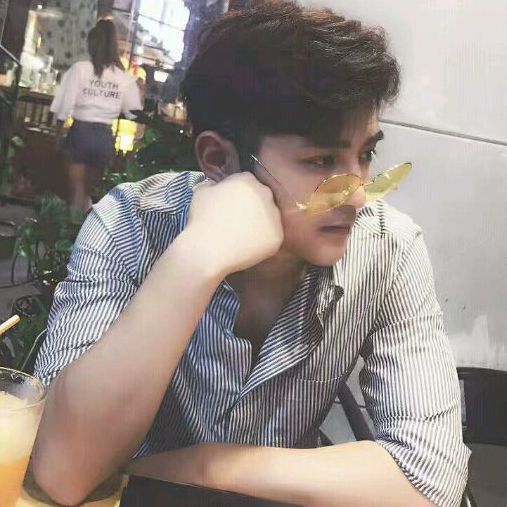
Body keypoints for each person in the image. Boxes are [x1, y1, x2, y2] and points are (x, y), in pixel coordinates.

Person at [32, 2, 470, 506]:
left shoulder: (389, 250)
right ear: (219, 158)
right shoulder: (133, 222)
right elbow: (61, 472)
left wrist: (202, 465)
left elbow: (431, 477)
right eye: (321, 161)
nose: (356, 197)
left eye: (366, 154)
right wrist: (194, 261)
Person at [50, 19, 142, 212]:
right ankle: (85, 222)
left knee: (77, 189)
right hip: (104, 137)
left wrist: (57, 133)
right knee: (88, 190)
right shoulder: (123, 77)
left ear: (92, 44)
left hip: (80, 133)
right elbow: (134, 112)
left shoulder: (80, 69)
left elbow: (64, 105)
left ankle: (74, 224)